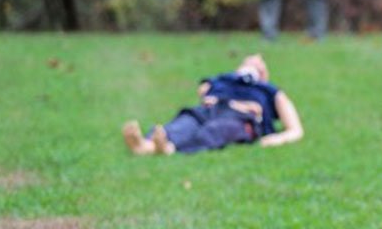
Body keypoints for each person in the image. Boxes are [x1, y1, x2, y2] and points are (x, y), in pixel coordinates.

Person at [121, 54, 304, 155]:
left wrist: (277, 139)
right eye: (248, 61)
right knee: (183, 124)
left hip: (242, 116)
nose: (255, 61)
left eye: (259, 64)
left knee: (215, 131)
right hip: (209, 109)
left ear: (265, 74)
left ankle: (168, 148)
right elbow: (203, 90)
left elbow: (295, 130)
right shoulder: (222, 80)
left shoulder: (268, 91)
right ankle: (146, 144)